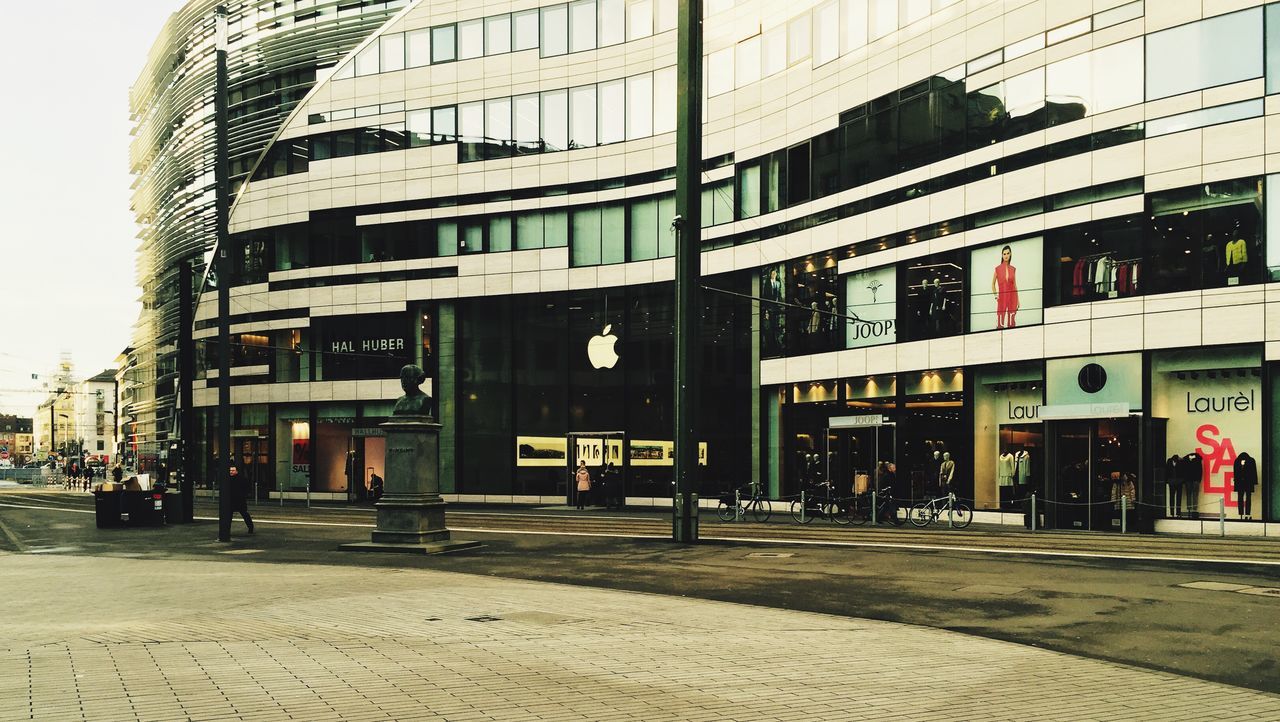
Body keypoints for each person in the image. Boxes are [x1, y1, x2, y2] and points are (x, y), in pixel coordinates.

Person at [991, 244, 1019, 329]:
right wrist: (996, 296)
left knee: (1012, 322)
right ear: (1002, 255)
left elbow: (1015, 285)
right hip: (1002, 296)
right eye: (1004, 254)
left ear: (1010, 254)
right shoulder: (997, 269)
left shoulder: (1013, 269)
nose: (1006, 255)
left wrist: (1018, 300)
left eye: (1007, 253)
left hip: (1012, 296)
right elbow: (993, 284)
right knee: (1000, 322)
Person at [229, 464, 254, 534]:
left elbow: (247, 488)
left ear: (236, 471)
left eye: (233, 470)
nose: (231, 472)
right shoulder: (241, 479)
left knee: (244, 514)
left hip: (238, 500)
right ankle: (250, 527)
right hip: (236, 500)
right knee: (244, 514)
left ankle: (250, 527)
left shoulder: (241, 479)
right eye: (230, 470)